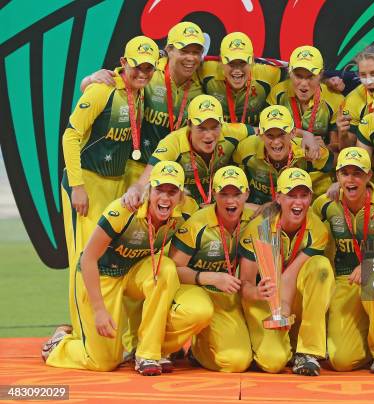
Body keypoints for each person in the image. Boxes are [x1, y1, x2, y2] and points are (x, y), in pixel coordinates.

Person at [44, 161, 202, 375]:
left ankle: (147, 354)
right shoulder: (124, 210)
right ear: (149, 190)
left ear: (181, 196)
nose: (165, 197)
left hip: (135, 272)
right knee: (103, 362)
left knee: (165, 268)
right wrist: (99, 310)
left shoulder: (186, 212)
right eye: (159, 190)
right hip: (103, 274)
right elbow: (88, 259)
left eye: (172, 191)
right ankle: (60, 344)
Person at [61, 35, 160, 349]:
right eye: (137, 67)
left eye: (149, 67)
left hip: (115, 185)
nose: (143, 73)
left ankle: (114, 336)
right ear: (122, 63)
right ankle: (79, 335)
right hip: (86, 186)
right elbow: (70, 136)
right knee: (83, 259)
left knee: (107, 257)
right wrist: (77, 186)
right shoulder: (102, 90)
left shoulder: (139, 92)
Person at [80, 22, 207, 186]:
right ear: (169, 50)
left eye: (196, 52)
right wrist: (91, 78)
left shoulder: (202, 86)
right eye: (184, 51)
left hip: (171, 174)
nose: (190, 58)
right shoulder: (149, 73)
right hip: (132, 171)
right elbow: (89, 88)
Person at [238, 168, 334, 376]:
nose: (298, 202)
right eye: (291, 195)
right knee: (273, 363)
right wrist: (258, 294)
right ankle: (270, 342)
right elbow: (244, 284)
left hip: (289, 298)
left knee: (321, 267)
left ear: (310, 197)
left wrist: (283, 310)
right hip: (260, 300)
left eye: (303, 195)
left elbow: (290, 276)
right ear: (278, 197)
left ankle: (307, 352)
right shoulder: (259, 229)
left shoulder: (317, 230)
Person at [312, 147, 374, 373]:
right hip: (345, 279)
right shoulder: (325, 203)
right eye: (345, 173)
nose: (351, 179)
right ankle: (368, 342)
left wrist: (372, 264)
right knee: (341, 361)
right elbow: (304, 227)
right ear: (337, 177)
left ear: (369, 176)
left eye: (357, 173)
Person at [169, 166, 254, 372]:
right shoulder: (197, 224)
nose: (230, 201)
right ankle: (154, 346)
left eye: (237, 194)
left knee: (237, 362)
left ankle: (199, 351)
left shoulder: (253, 221)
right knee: (200, 311)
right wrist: (210, 278)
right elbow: (172, 270)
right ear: (214, 193)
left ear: (247, 194)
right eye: (224, 194)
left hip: (226, 295)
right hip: (193, 289)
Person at [122, 94, 253, 209]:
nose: (209, 136)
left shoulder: (232, 132)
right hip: (184, 209)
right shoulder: (173, 143)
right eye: (201, 128)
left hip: (219, 207)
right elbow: (143, 181)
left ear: (222, 124)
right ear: (189, 125)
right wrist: (134, 190)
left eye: (214, 128)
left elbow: (264, 132)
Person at [266, 45, 346, 196]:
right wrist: (304, 135)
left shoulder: (335, 99)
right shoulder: (278, 93)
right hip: (283, 174)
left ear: (321, 74)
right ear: (289, 72)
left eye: (310, 77)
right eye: (298, 76)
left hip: (319, 177)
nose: (304, 83)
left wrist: (326, 147)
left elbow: (338, 149)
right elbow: (265, 131)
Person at [233, 105, 333, 204]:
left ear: (293, 133)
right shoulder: (246, 148)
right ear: (260, 134)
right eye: (269, 135)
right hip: (258, 209)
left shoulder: (308, 149)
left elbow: (334, 166)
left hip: (296, 209)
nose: (276, 142)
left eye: (281, 135)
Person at [201, 32, 281, 125]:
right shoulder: (207, 70)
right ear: (221, 62)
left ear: (252, 61)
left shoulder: (269, 74)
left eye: (243, 63)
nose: (237, 70)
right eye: (231, 63)